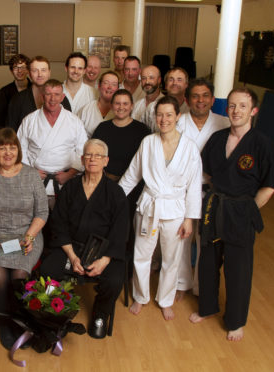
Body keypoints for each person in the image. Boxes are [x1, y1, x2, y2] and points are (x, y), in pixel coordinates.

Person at [189, 88, 274, 342]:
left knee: (238, 269)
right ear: (226, 109)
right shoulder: (217, 139)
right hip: (215, 205)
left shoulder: (263, 144)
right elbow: (204, 173)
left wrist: (249, 210)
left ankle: (236, 321)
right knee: (207, 262)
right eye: (231, 106)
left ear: (253, 111)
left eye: (242, 106)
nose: (236, 111)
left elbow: (269, 186)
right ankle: (206, 307)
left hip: (241, 211)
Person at [119, 96, 202, 321]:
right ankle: (141, 296)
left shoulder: (190, 148)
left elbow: (194, 186)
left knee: (171, 257)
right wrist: (114, 200)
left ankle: (165, 300)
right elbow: (132, 175)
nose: (163, 119)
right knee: (142, 254)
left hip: (175, 208)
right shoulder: (148, 142)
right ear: (154, 117)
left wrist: (189, 219)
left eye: (168, 114)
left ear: (178, 116)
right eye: (159, 114)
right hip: (149, 205)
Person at [40, 139, 129, 339]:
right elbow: (59, 224)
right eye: (88, 155)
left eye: (98, 156)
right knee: (47, 270)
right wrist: (71, 256)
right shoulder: (70, 187)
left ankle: (100, 314)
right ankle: (56, 313)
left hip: (103, 251)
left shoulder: (115, 193)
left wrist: (105, 259)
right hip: (71, 247)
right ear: (82, 159)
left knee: (114, 279)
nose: (92, 159)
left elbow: (120, 231)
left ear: (106, 161)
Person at [0, 128, 48, 349]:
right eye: (2, 148)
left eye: (12, 147)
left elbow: (42, 213)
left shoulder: (31, 175)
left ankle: (21, 320)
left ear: (18, 150)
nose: (7, 152)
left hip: (26, 236)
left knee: (19, 275)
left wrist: (30, 236)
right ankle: (5, 322)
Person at [175, 78, 229, 299]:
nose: (200, 100)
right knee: (182, 239)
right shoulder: (178, 122)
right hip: (183, 189)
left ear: (213, 99)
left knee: (205, 240)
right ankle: (181, 283)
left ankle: (200, 287)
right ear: (187, 100)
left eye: (205, 95)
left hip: (211, 189)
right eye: (195, 96)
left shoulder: (224, 123)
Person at [92, 89, 151, 279]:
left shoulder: (142, 131)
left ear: (132, 106)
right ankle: (100, 261)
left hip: (133, 188)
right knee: (104, 225)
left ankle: (124, 269)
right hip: (105, 185)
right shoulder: (103, 128)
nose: (121, 107)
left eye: (125, 103)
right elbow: (94, 157)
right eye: (117, 103)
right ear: (112, 105)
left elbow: (145, 164)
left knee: (128, 228)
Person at [17, 79, 88, 205]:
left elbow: (82, 151)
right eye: (49, 94)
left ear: (63, 97)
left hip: (66, 180)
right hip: (35, 178)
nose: (52, 99)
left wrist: (70, 174)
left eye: (56, 94)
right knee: (35, 220)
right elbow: (20, 149)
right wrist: (31, 172)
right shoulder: (30, 120)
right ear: (42, 96)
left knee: (63, 221)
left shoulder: (74, 121)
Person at [7, 56, 72, 131]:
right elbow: (11, 131)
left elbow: (69, 127)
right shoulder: (17, 100)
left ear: (49, 73)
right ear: (29, 73)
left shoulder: (61, 99)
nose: (40, 74)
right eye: (35, 70)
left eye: (43, 70)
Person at [77, 71, 119, 137]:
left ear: (117, 89)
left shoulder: (121, 111)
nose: (110, 87)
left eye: (114, 84)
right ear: (99, 86)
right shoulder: (85, 110)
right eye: (106, 83)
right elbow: (76, 136)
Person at [132, 65, 164, 132]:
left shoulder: (166, 104)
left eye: (151, 78)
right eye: (144, 78)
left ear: (159, 80)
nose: (147, 82)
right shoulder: (137, 105)